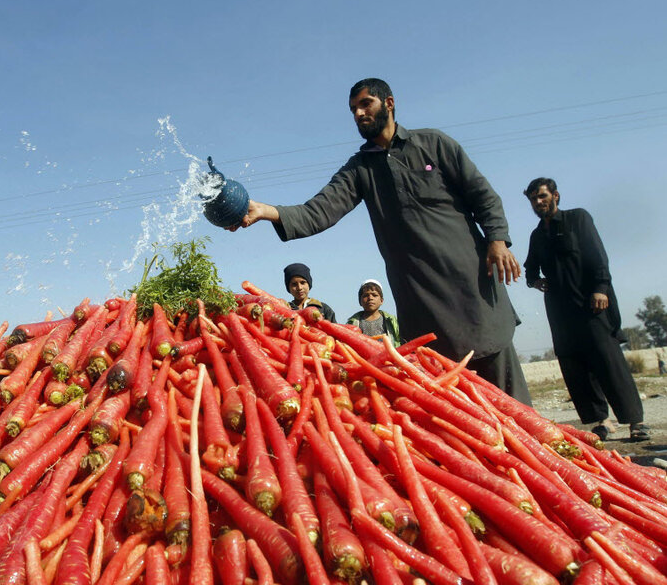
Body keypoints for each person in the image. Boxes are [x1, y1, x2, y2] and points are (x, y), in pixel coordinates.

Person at [231, 78, 531, 405]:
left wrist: (497, 240)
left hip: (473, 290)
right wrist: (265, 210)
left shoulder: (434, 144)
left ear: (388, 102)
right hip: (422, 305)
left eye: (365, 104)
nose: (359, 114)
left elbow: (483, 196)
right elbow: (318, 212)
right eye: (353, 110)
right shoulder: (360, 169)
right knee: (457, 409)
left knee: (514, 407)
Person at [523, 177, 650, 442]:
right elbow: (530, 269)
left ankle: (635, 422)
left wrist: (601, 287)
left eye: (542, 196)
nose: (538, 202)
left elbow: (597, 254)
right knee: (575, 366)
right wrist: (536, 281)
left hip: (591, 303)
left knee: (609, 362)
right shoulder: (537, 235)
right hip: (560, 312)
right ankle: (600, 422)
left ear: (555, 196)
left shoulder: (578, 219)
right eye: (534, 198)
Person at [346, 279, 401, 346]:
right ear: (360, 301)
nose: (370, 298)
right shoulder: (352, 323)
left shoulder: (391, 321)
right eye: (366, 295)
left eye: (374, 295)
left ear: (381, 300)